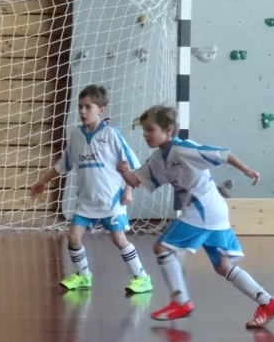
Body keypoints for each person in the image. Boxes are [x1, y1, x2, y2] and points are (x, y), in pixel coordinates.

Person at [117, 104, 274, 328]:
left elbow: (223, 154)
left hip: (203, 209)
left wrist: (246, 170)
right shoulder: (158, 159)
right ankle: (267, 302)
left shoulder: (183, 149)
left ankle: (180, 301)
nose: (146, 135)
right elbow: (135, 180)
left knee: (162, 248)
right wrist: (122, 170)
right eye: (144, 131)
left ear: (168, 130)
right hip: (212, 211)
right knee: (223, 266)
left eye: (150, 129)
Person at [30, 84, 151, 294]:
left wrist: (128, 191)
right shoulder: (76, 136)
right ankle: (84, 276)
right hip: (86, 201)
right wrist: (43, 181)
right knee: (73, 237)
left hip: (111, 200)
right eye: (80, 107)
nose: (83, 111)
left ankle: (142, 277)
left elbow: (131, 165)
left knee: (119, 239)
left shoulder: (111, 134)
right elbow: (63, 164)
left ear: (101, 110)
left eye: (88, 107)